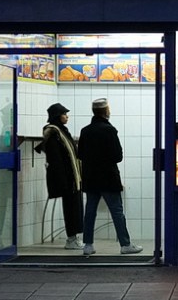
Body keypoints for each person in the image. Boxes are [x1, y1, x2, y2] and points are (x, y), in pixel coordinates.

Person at [77, 98, 143, 255]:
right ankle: (125, 245)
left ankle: (88, 245)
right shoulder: (109, 130)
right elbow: (118, 156)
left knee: (90, 211)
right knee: (117, 211)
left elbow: (80, 155)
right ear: (106, 111)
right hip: (108, 177)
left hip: (90, 177)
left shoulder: (85, 131)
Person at [35, 103, 85, 250]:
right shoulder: (53, 133)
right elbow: (56, 159)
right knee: (70, 207)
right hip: (67, 178)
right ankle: (71, 239)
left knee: (75, 207)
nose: (67, 116)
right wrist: (63, 180)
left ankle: (74, 237)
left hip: (73, 177)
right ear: (57, 116)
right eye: (64, 114)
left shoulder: (60, 131)